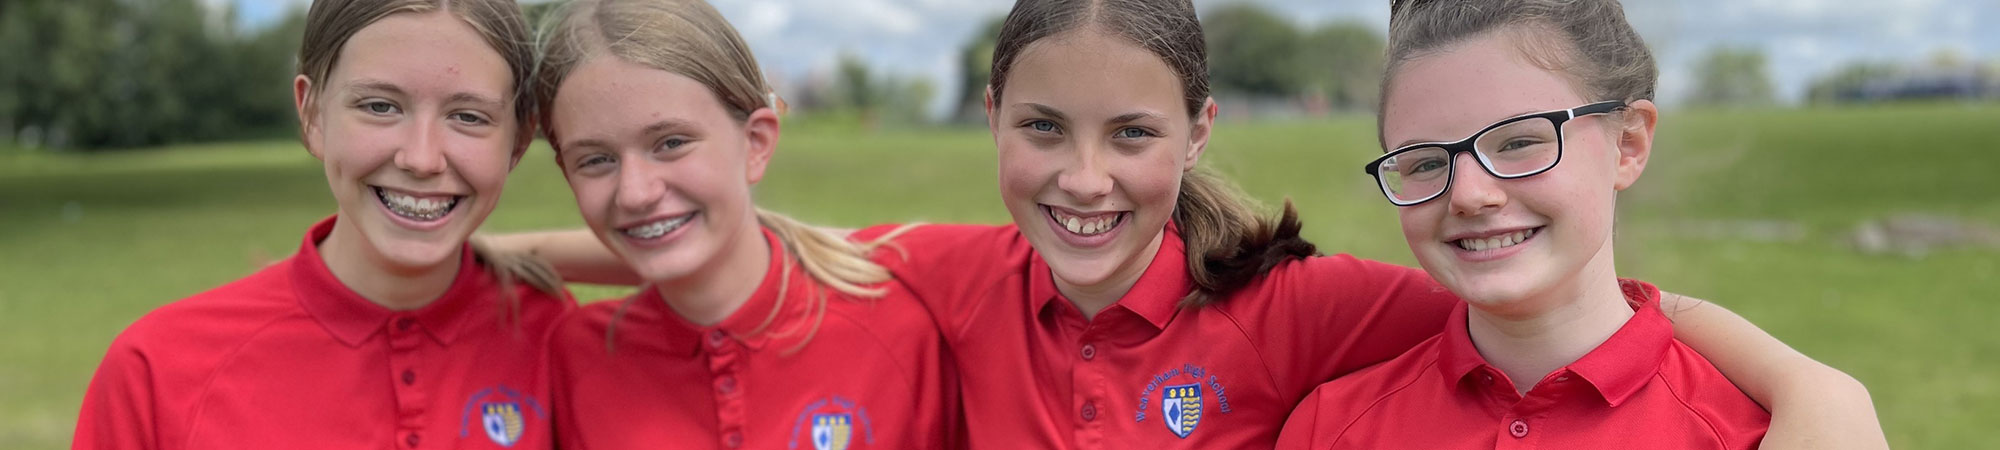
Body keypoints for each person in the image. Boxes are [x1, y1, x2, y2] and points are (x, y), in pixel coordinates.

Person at [493, 0, 1881, 447]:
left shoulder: (1309, 306)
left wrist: (1814, 387)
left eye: (1133, 134)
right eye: (1043, 129)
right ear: (991, 120)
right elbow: (729, 238)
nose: (1084, 178)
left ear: (1199, 133)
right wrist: (477, 261)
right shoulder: (949, 274)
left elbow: (1542, 305)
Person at [1276, 0, 1807, 447]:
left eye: (1519, 142)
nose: (1468, 196)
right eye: (1426, 162)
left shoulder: (1757, 433)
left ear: (1628, 144)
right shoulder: (1331, 429)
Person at [73, 1, 573, 449]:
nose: (421, 158)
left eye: (468, 116)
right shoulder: (158, 370)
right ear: (312, 114)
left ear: (520, 139)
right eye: (380, 106)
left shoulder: (561, 340)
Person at [531, 1, 959, 448]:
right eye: (596, 160)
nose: (635, 193)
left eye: (671, 143)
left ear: (755, 144)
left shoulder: (900, 330)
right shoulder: (575, 355)